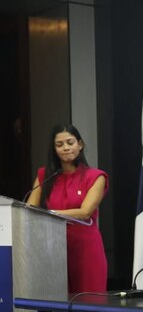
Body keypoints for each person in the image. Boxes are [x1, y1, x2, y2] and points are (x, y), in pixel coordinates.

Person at [27, 124, 108, 294]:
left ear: (80, 144)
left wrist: (49, 214)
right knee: (56, 300)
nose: (65, 148)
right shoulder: (44, 175)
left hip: (85, 248)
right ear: (54, 149)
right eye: (59, 144)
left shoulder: (95, 176)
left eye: (70, 143)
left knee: (88, 300)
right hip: (51, 247)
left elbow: (85, 212)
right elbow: (29, 209)